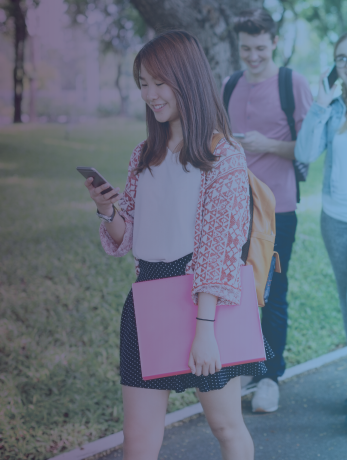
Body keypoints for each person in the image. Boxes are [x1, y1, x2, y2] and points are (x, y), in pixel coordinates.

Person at [84, 31, 273, 460]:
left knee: (226, 427)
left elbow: (218, 249)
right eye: (143, 83)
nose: (150, 94)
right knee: (139, 440)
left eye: (158, 82)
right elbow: (127, 239)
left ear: (186, 78)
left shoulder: (221, 156)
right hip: (147, 298)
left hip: (204, 300)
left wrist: (204, 331)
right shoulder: (143, 154)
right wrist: (107, 211)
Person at [221, 8, 313, 413]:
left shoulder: (293, 83)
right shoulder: (230, 84)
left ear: (274, 42)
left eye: (260, 48)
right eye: (246, 48)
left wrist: (266, 144)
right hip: (234, 208)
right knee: (236, 291)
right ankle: (247, 366)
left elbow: (309, 147)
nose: (253, 56)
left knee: (272, 294)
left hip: (279, 209)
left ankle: (271, 376)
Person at [295, 33, 347, 351]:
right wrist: (320, 105)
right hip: (336, 220)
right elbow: (304, 154)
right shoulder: (334, 109)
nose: (346, 65)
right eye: (341, 58)